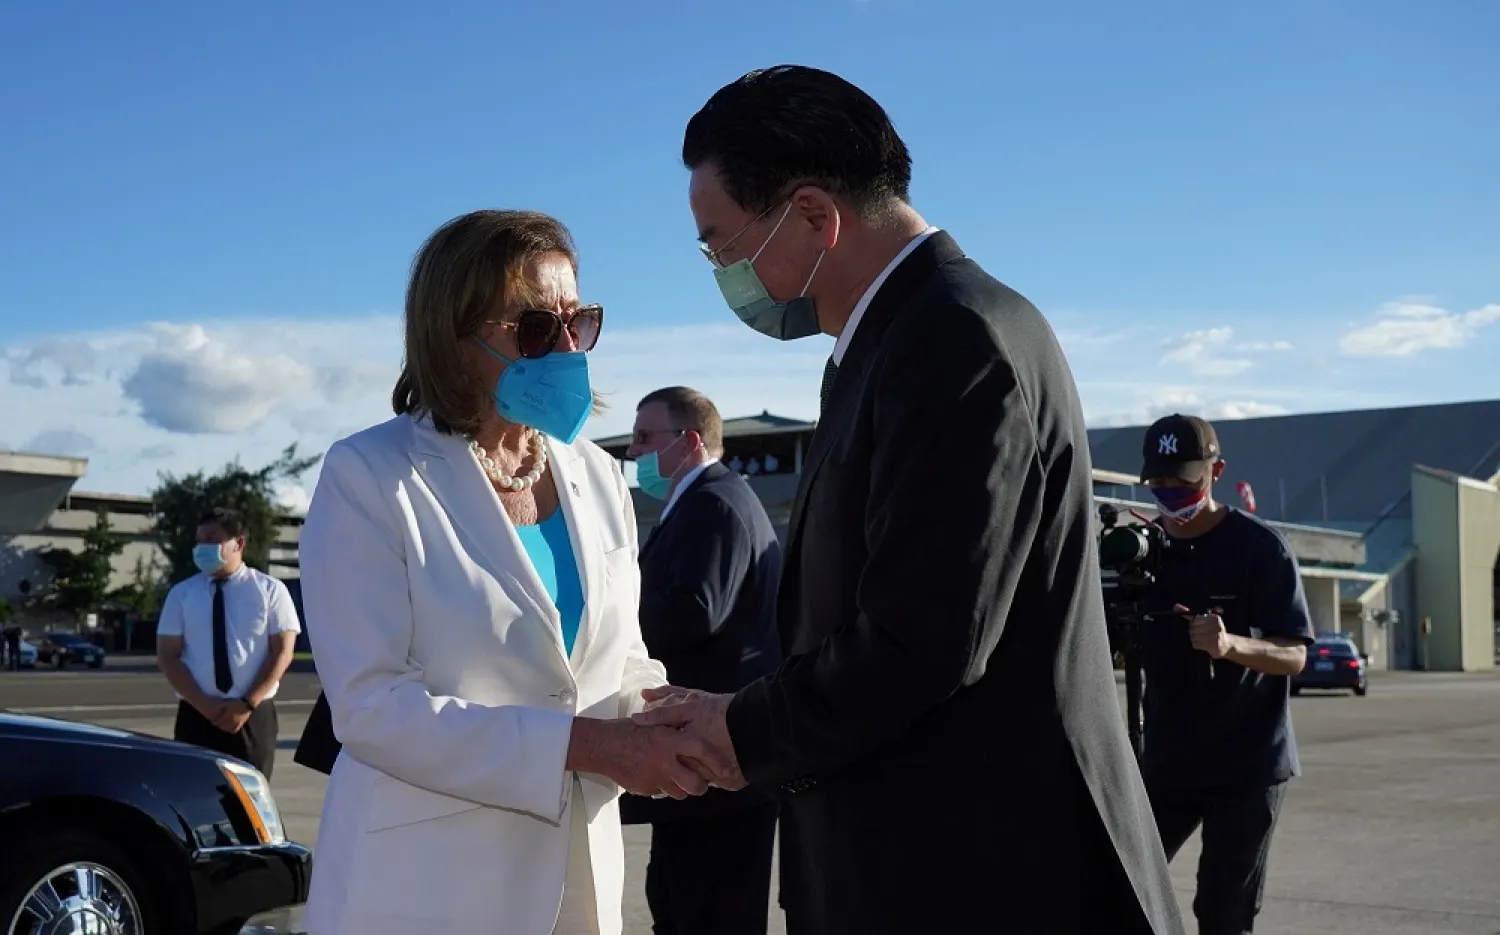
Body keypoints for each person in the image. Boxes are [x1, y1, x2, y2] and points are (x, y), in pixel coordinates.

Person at [634, 65, 1186, 935]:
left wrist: (741, 727)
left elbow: (921, 639)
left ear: (815, 215)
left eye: (722, 244)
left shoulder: (955, 339)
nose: (723, 270)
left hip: (990, 879)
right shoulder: (885, 347)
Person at [296, 210, 725, 935]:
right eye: (533, 328)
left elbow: (615, 663)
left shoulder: (598, 474)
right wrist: (593, 746)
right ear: (454, 338)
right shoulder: (370, 475)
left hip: (579, 882)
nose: (564, 349)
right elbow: (372, 707)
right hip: (426, 892)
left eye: (577, 322)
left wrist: (681, 717)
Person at [1135, 413, 1314, 935]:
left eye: (1184, 481)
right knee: (1115, 880)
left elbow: (1295, 654)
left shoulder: (1261, 549)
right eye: (1159, 483)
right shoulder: (1143, 554)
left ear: (1216, 472)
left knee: (1222, 912)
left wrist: (1231, 644)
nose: (1171, 494)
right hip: (1168, 758)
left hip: (1248, 764)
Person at [619, 386, 782, 935]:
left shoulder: (712, 501)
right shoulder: (706, 499)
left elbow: (695, 611)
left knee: (705, 910)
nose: (634, 453)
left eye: (645, 437)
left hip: (717, 772)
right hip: (706, 771)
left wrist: (606, 615)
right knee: (677, 897)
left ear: (688, 442)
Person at [155, 507, 300, 777]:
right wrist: (205, 705)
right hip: (196, 715)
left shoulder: (270, 590)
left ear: (239, 543)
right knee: (192, 799)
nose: (202, 548)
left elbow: (282, 652)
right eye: (199, 541)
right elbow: (167, 655)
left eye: (212, 540)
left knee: (247, 804)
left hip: (252, 717)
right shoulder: (182, 594)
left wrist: (246, 704)